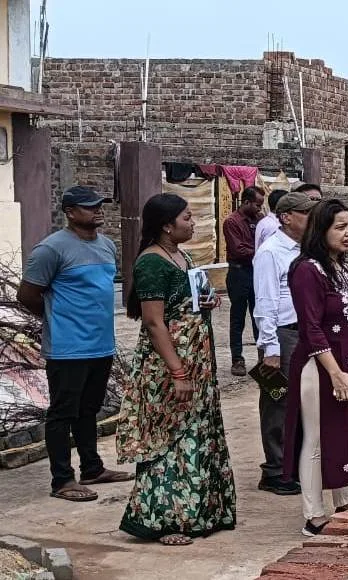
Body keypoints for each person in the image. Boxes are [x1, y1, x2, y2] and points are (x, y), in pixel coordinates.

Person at [118, 193, 235, 545]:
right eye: (187, 218)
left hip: (196, 361)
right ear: (167, 226)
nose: (193, 223)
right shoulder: (152, 263)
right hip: (169, 367)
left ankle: (200, 512)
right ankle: (165, 520)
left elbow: (184, 303)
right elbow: (155, 323)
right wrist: (178, 372)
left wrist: (206, 301)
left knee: (197, 432)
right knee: (170, 437)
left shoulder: (181, 256)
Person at [17, 185, 133, 502]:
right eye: (89, 206)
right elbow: (27, 295)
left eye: (99, 205)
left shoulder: (106, 245)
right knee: (62, 413)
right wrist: (58, 319)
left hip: (101, 344)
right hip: (67, 347)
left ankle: (92, 468)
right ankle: (62, 480)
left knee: (89, 409)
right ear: (70, 212)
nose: (98, 210)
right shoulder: (51, 249)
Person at [283, 199, 348, 536]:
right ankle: (314, 514)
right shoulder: (307, 270)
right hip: (321, 368)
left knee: (346, 431)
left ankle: (345, 501)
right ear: (321, 230)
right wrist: (335, 373)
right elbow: (312, 327)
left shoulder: (340, 268)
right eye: (340, 227)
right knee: (317, 438)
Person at [252, 192, 319, 496]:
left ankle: (293, 462)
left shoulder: (307, 250)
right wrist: (270, 347)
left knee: (304, 399)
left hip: (304, 333)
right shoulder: (271, 251)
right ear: (287, 217)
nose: (312, 220)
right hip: (281, 334)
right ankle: (275, 469)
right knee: (278, 400)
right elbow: (265, 302)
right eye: (306, 214)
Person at [224, 185, 265, 376]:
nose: (259, 209)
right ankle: (237, 359)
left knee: (260, 317)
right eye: (257, 205)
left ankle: (262, 358)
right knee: (238, 318)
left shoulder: (260, 219)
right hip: (239, 273)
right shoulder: (232, 222)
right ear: (246, 202)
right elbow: (238, 250)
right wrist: (263, 252)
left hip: (257, 272)